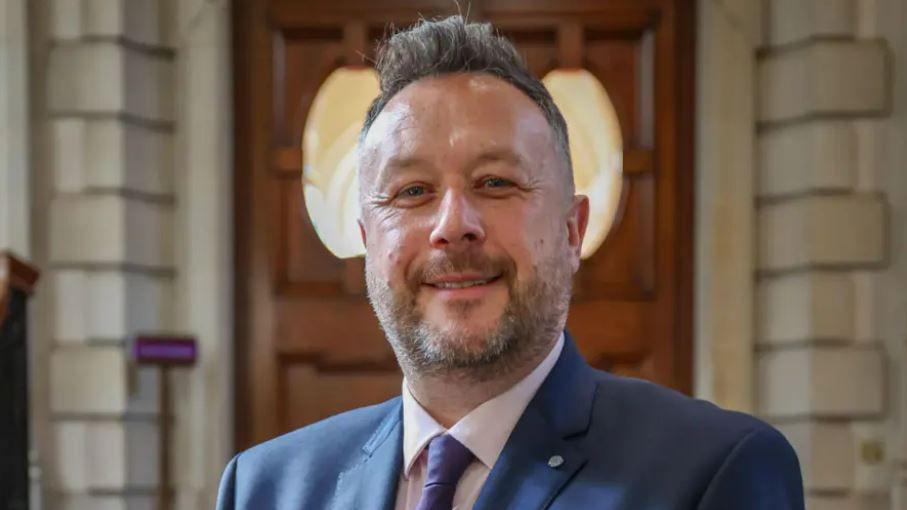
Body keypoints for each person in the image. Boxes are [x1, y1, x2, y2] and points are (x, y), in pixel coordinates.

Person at [216, 15, 804, 510]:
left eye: (495, 182)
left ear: (573, 232)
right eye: (412, 191)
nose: (452, 225)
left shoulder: (713, 473)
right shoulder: (265, 488)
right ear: (369, 242)